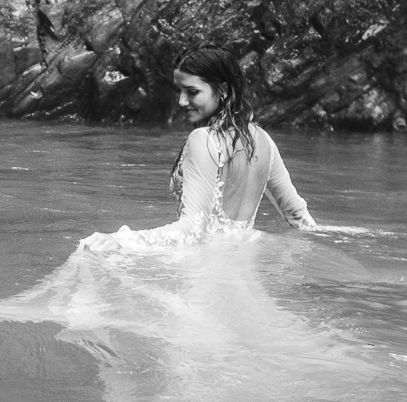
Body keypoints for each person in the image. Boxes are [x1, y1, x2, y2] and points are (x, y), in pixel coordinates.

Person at [83, 47, 318, 250]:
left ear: (223, 90)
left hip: (203, 271)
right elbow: (298, 216)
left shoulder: (203, 139)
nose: (182, 102)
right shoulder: (263, 140)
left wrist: (123, 240)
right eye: (180, 91)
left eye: (192, 92)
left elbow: (191, 232)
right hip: (242, 271)